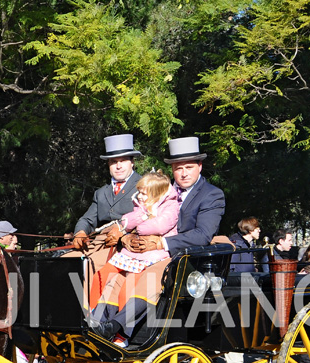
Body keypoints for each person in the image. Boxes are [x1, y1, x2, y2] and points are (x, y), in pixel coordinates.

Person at [91, 136, 225, 340]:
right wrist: (126, 237)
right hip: (148, 252)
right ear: (172, 170)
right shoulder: (161, 189)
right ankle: (97, 323)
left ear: (199, 166)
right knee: (115, 276)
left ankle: (118, 327)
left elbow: (203, 234)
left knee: (153, 274)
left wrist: (161, 242)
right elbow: (139, 216)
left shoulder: (212, 195)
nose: (183, 173)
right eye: (178, 168)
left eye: (189, 167)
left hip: (185, 258)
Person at [89, 171, 179, 345]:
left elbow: (160, 225)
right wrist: (131, 222)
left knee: (128, 287)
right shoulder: (141, 206)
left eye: (144, 192)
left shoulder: (170, 206)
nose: (140, 195)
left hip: (152, 255)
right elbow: (127, 220)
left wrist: (141, 225)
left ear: (155, 194)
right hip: (134, 252)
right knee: (103, 273)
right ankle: (91, 313)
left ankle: (121, 334)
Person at [71, 134, 143, 252]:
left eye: (123, 160)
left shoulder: (145, 186)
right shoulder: (101, 193)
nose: (118, 166)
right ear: (108, 164)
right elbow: (87, 220)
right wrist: (80, 232)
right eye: (114, 162)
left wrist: (124, 232)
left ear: (132, 162)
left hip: (132, 245)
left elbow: (150, 218)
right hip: (102, 244)